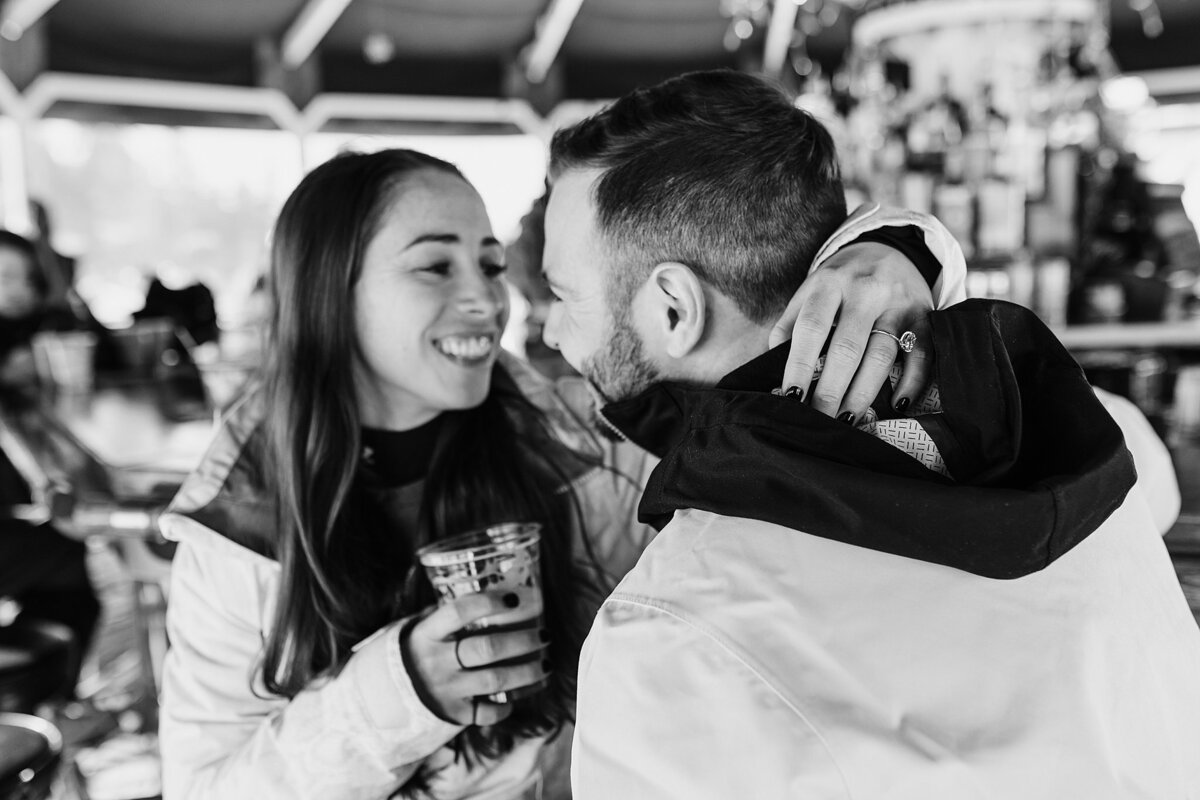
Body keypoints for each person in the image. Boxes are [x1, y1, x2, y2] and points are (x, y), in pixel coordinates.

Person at [156, 147, 966, 800]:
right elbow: (203, 787)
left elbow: (768, 372)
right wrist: (404, 692)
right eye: (434, 268)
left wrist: (896, 250)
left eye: (489, 266)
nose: (488, 301)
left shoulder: (573, 430)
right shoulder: (243, 524)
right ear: (329, 296)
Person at [541, 70, 1200, 798]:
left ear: (674, 309)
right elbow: (1157, 484)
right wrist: (910, 248)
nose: (549, 331)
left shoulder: (667, 636)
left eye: (563, 296)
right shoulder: (1073, 431)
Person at [0, 229, 101, 700]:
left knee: (63, 555)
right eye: (4, 277)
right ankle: (48, 702)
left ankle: (47, 700)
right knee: (64, 555)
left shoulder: (39, 329)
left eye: (27, 278)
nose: (18, 290)